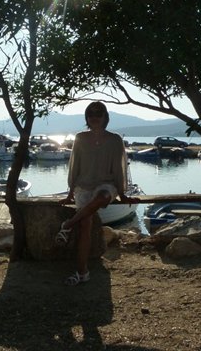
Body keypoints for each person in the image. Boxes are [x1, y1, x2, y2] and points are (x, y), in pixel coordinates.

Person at [56, 101, 137, 286]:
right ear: (86, 117)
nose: (94, 117)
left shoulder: (115, 140)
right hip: (83, 186)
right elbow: (74, 167)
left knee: (103, 196)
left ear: (105, 117)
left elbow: (119, 169)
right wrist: (70, 192)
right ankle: (82, 272)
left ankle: (68, 224)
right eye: (91, 114)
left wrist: (122, 193)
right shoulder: (80, 138)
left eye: (98, 113)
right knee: (85, 223)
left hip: (107, 185)